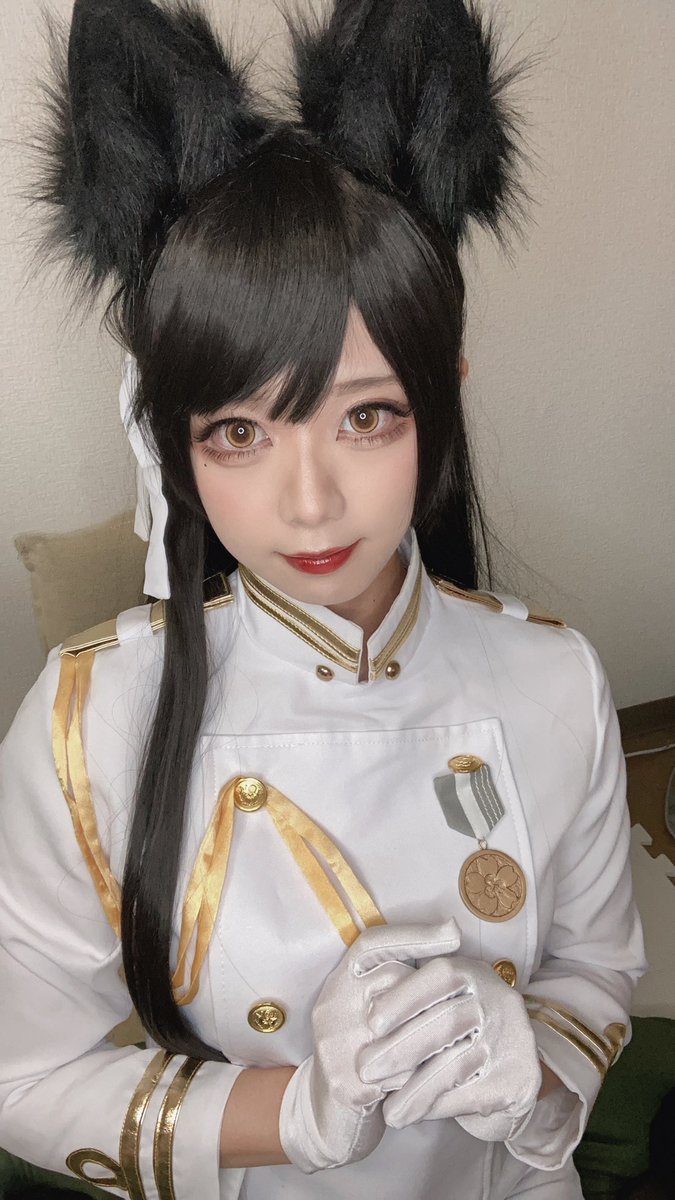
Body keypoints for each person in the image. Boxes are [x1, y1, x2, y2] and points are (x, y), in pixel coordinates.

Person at [0, 1, 647, 1198]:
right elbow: (24, 1079)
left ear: (442, 398)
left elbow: (596, 973)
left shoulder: (555, 678)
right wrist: (294, 1114)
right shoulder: (88, 719)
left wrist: (541, 1074)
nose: (310, 504)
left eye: (368, 416)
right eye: (240, 431)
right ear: (172, 439)